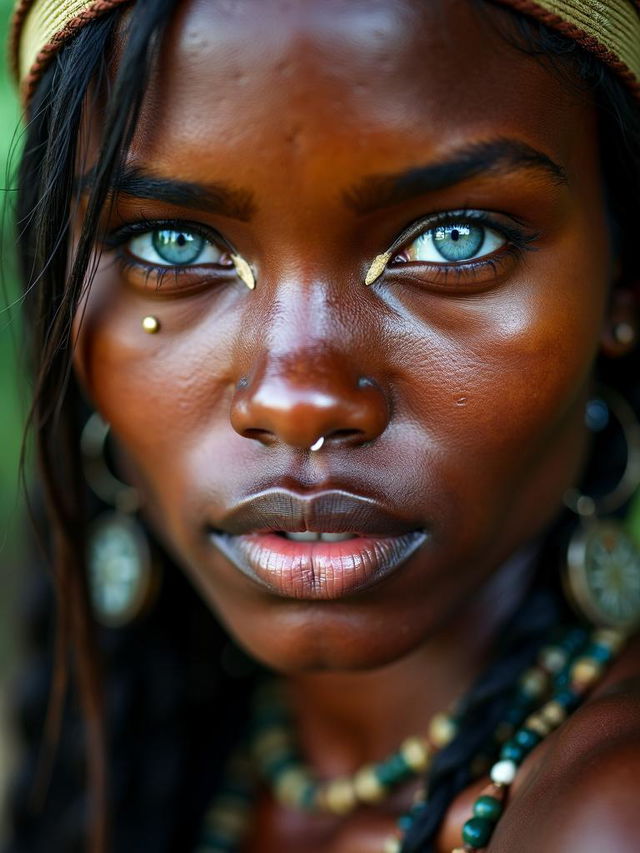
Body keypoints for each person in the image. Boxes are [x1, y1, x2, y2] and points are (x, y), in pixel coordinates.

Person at [5, 0, 640, 851]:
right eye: (172, 247)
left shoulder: (612, 815)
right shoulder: (162, 769)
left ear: (623, 281)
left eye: (455, 240)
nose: (294, 399)